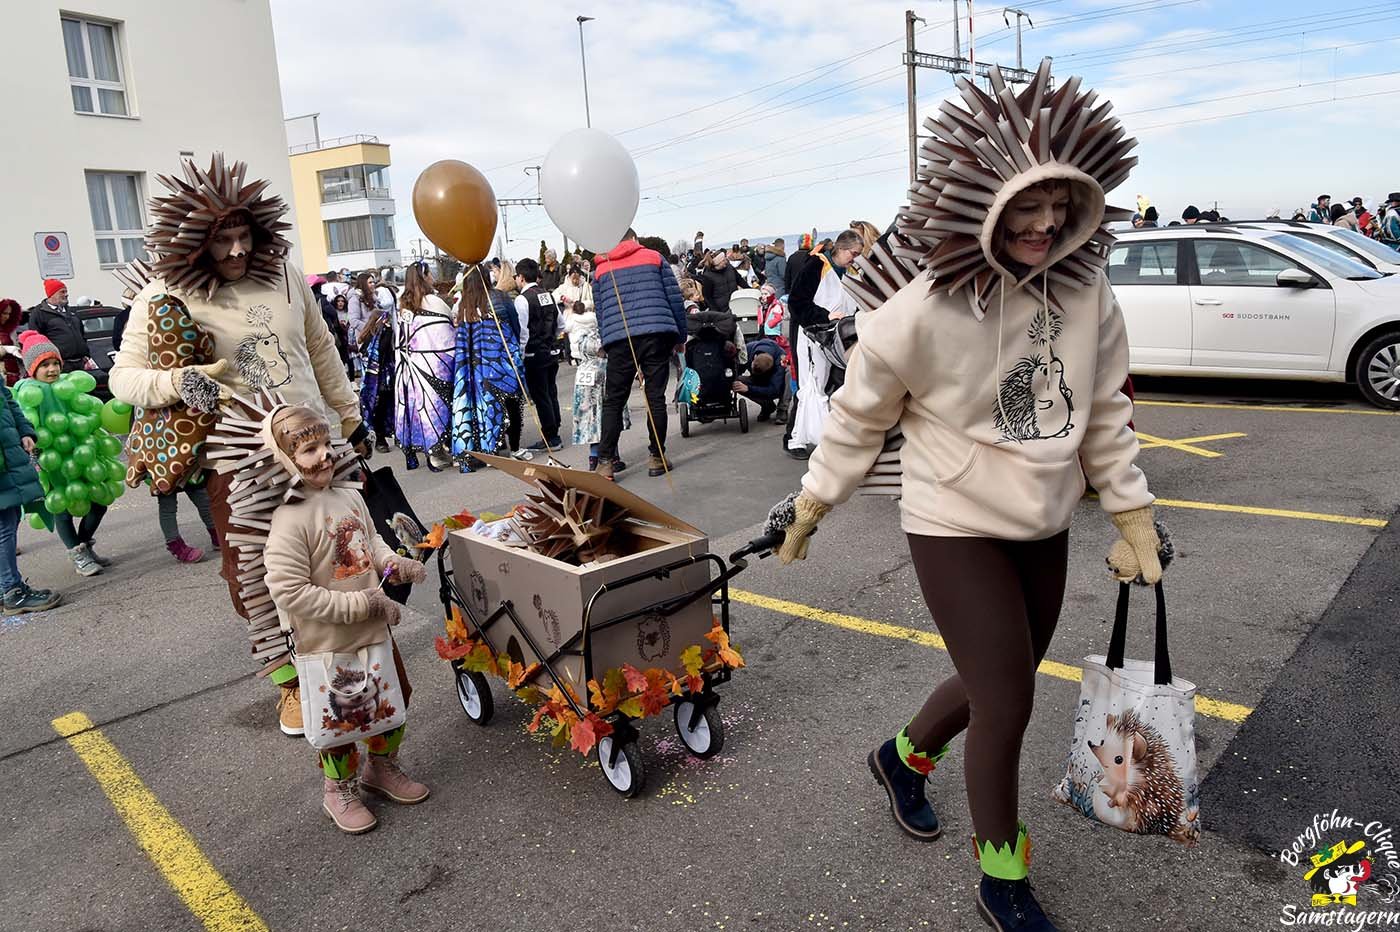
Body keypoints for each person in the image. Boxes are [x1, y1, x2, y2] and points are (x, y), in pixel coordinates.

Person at [774, 59, 1167, 932]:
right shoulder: (916, 312)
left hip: (1044, 519)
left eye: (1059, 203)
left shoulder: (1087, 289)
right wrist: (812, 503)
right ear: (982, 200)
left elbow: (1104, 412)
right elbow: (855, 418)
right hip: (951, 520)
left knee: (1007, 675)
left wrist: (1132, 510)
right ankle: (1001, 876)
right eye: (1025, 206)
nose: (1045, 221)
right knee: (1010, 701)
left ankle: (902, 757)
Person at [110, 153, 368, 737]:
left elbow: (320, 349)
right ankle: (287, 683)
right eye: (220, 241)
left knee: (339, 558)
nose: (234, 252)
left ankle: (344, 662)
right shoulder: (164, 291)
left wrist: (350, 419)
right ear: (196, 243)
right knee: (253, 573)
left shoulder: (283, 273)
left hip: (316, 446)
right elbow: (123, 377)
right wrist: (178, 381)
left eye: (242, 237)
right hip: (237, 461)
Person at [262, 404, 428, 834]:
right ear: (285, 459)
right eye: (308, 450)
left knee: (390, 705)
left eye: (325, 445)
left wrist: (396, 563)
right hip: (328, 641)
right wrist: (365, 604)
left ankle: (382, 768)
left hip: (372, 630)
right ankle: (338, 789)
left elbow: (370, 542)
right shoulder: (288, 517)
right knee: (341, 720)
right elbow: (289, 591)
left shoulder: (350, 495)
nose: (323, 457)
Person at [591, 228, 687, 480]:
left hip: (619, 339)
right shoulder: (654, 258)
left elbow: (600, 312)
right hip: (657, 332)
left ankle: (604, 463)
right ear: (634, 239)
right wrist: (680, 336)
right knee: (654, 397)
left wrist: (607, 338)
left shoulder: (600, 268)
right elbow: (674, 298)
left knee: (614, 400)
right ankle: (656, 456)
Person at [15, 331, 111, 576]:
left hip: (81, 454)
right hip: (50, 460)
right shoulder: (28, 391)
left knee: (99, 503)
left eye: (55, 362)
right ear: (31, 369)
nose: (52, 369)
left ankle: (83, 544)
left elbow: (86, 412)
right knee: (62, 508)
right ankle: (77, 553)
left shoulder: (69, 384)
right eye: (44, 365)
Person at [785, 228, 861, 459]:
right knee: (811, 386)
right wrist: (824, 316)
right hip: (811, 334)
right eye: (854, 253)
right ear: (842, 248)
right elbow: (797, 302)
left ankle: (822, 436)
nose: (856, 258)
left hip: (836, 337)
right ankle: (796, 437)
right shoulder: (816, 265)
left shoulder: (850, 271)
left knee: (827, 386)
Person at [450, 263, 522, 472]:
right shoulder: (499, 297)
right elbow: (514, 327)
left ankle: (494, 446)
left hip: (476, 368)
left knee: (486, 406)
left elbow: (463, 341)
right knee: (511, 403)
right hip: (502, 361)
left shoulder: (464, 305)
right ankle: (515, 447)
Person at [0, 368, 59, 616]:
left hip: (8, 455)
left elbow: (9, 402)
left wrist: (25, 431)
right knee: (4, 525)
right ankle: (11, 591)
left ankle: (7, 587)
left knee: (9, 520)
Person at [394, 263, 456, 471]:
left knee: (420, 408)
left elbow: (401, 339)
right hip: (436, 364)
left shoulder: (403, 304)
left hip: (411, 366)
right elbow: (447, 330)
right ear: (425, 276)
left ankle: (432, 449)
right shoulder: (434, 302)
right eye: (430, 274)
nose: (433, 277)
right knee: (438, 405)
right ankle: (438, 449)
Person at [570, 307, 630, 472]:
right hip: (606, 373)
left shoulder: (580, 336)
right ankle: (612, 456)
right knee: (610, 414)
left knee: (591, 418)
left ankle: (594, 457)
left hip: (584, 374)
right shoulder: (608, 335)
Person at [514, 258, 564, 452]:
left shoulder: (522, 299)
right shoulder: (548, 295)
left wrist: (521, 352)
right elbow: (561, 323)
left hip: (534, 353)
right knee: (551, 392)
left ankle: (551, 436)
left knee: (540, 394)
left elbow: (523, 331)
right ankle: (554, 430)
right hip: (551, 350)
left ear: (521, 277)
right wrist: (552, 339)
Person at [27, 280, 106, 389]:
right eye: (62, 292)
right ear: (52, 294)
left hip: (79, 362)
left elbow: (81, 334)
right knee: (64, 392)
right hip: (59, 365)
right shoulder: (39, 313)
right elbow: (36, 339)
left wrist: (85, 353)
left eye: (66, 291)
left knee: (82, 392)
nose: (66, 294)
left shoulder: (70, 312)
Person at [735, 339, 785, 421]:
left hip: (774, 383)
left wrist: (749, 389)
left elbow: (775, 390)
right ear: (754, 358)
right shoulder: (747, 351)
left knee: (789, 374)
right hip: (757, 380)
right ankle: (767, 405)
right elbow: (737, 370)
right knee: (736, 383)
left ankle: (783, 409)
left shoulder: (779, 360)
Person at [0, 300, 23, 386]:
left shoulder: (11, 330)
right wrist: (6, 349)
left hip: (17, 376)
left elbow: (16, 348)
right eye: (4, 313)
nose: (7, 317)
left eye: (9, 314)